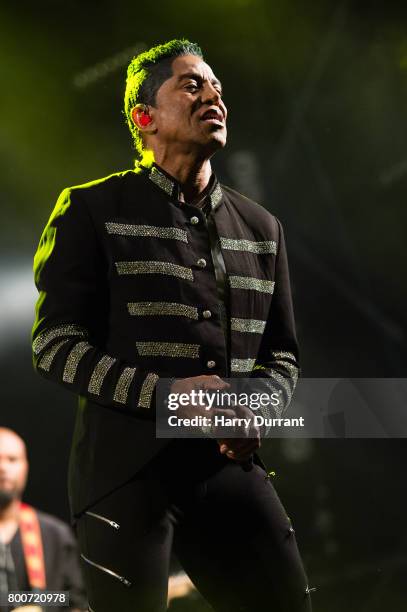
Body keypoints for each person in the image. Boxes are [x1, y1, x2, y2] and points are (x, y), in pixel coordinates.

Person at [32, 39, 313, 611]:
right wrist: (167, 397)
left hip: (229, 465)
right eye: (192, 84)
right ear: (145, 117)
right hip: (125, 471)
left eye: (217, 87)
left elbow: (282, 357)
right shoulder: (90, 209)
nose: (214, 96)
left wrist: (248, 406)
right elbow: (54, 345)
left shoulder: (263, 227)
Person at [0, 428, 87, 612]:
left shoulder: (54, 534)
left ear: (25, 467)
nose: (3, 467)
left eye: (12, 459)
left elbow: (74, 601)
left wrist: (41, 607)